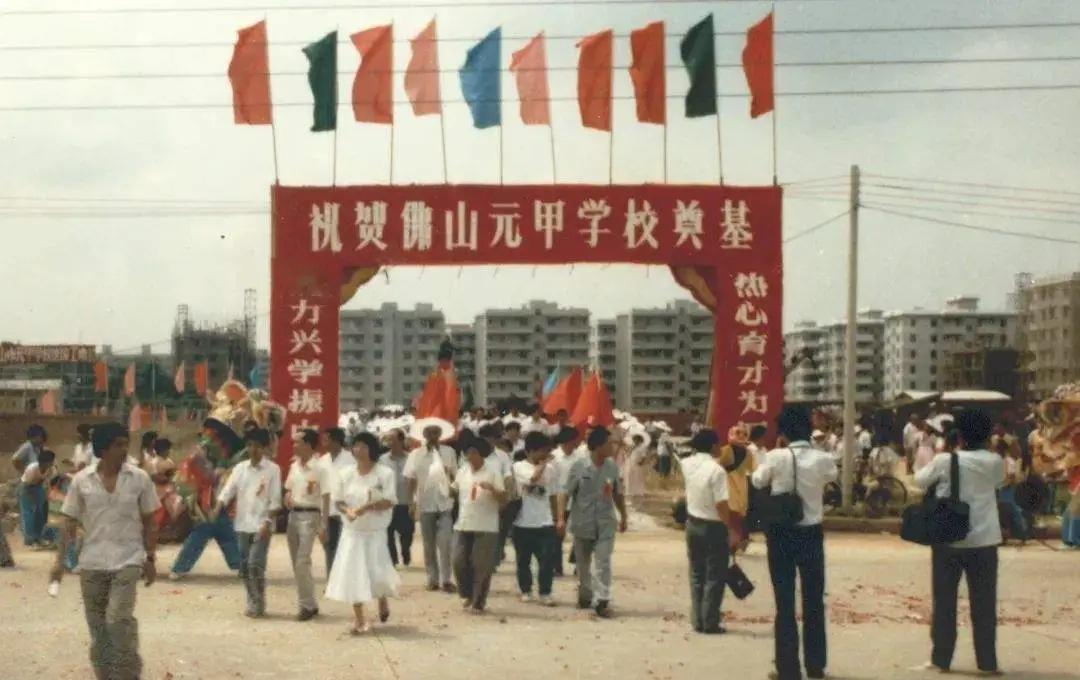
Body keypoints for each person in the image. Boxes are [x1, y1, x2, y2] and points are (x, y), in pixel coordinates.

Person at [52, 421, 160, 680]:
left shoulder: (139, 478)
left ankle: (129, 673)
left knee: (118, 620)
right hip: (92, 563)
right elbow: (68, 521)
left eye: (126, 444)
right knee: (98, 628)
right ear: (103, 448)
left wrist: (150, 557)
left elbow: (150, 521)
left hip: (128, 560)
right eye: (117, 445)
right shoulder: (81, 481)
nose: (124, 450)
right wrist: (58, 562)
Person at [914, 409, 1005, 675]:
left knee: (944, 602)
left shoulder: (945, 460)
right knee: (984, 604)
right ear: (987, 435)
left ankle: (941, 659)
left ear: (959, 434)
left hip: (948, 540)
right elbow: (998, 483)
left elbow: (920, 481)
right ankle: (987, 662)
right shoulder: (995, 461)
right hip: (985, 541)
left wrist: (946, 450)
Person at [752, 406, 839, 680]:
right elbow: (832, 477)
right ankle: (816, 665)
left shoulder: (776, 456)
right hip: (811, 535)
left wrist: (778, 452)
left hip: (781, 535)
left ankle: (787, 668)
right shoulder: (822, 459)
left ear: (784, 432)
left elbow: (757, 481)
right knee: (814, 600)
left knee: (785, 603)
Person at [326, 432, 399, 634]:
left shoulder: (384, 473)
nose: (359, 450)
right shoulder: (345, 473)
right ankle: (360, 619)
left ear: (372, 449)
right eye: (356, 446)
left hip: (374, 531)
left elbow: (390, 500)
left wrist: (368, 507)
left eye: (364, 446)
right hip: (352, 533)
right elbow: (338, 500)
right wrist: (347, 511)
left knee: (376, 571)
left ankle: (382, 599)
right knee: (353, 573)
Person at [557, 427, 628, 618]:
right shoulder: (579, 466)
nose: (612, 447)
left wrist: (624, 516)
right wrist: (561, 518)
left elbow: (617, 493)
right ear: (597, 446)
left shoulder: (612, 467)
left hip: (605, 521)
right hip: (583, 522)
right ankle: (585, 594)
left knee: (603, 561)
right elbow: (565, 493)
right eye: (609, 443)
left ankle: (602, 599)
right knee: (583, 564)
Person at [214, 428, 281, 618]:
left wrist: (267, 522)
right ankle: (252, 598)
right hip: (242, 524)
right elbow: (228, 491)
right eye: (250, 445)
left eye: (258, 446)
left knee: (255, 564)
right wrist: (217, 508)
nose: (254, 450)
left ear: (265, 448)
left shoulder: (273, 470)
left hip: (262, 524)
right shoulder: (240, 468)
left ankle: (258, 603)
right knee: (244, 567)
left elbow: (276, 500)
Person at [680, 429, 731, 634]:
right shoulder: (716, 470)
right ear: (712, 446)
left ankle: (697, 619)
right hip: (713, 524)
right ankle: (709, 620)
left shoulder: (686, 464)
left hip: (693, 522)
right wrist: (730, 527)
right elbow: (721, 503)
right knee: (714, 575)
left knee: (696, 573)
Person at [451, 435, 506, 613]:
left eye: (474, 452)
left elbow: (504, 499)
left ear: (481, 454)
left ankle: (478, 601)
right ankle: (466, 593)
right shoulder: (463, 471)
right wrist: (443, 480)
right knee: (458, 561)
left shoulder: (492, 471)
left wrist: (492, 489)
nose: (470, 456)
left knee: (481, 565)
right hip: (464, 522)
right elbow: (454, 489)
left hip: (486, 525)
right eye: (467, 453)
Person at [404, 424, 458, 592]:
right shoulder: (415, 454)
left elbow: (457, 477)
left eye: (436, 432)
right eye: (429, 432)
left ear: (441, 434)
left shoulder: (449, 452)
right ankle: (432, 579)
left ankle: (446, 579)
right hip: (425, 503)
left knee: (445, 542)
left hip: (445, 504)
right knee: (428, 544)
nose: (433, 436)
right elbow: (410, 479)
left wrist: (450, 476)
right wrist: (411, 503)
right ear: (424, 434)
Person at [284, 429, 326, 621]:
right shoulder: (294, 466)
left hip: (310, 516)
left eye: (298, 442)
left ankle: (306, 606)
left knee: (302, 561)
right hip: (293, 515)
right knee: (297, 563)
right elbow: (289, 488)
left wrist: (323, 524)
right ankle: (310, 602)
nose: (294, 446)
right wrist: (287, 497)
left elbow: (327, 496)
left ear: (309, 445)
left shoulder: (320, 468)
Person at [513, 432, 559, 606]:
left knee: (547, 561)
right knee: (523, 560)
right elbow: (532, 479)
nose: (545, 454)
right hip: (523, 521)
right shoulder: (519, 467)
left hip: (545, 521)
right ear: (530, 451)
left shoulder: (552, 469)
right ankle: (526, 590)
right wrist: (544, 463)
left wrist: (557, 518)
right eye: (542, 451)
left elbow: (554, 494)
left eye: (547, 451)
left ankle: (545, 592)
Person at [319, 427, 355, 573]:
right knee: (329, 546)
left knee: (346, 547)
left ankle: (345, 581)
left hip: (346, 509)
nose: (323, 442)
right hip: (328, 510)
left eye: (326, 439)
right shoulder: (322, 461)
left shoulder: (351, 459)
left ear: (335, 441)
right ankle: (331, 581)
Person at [719, 426, 755, 552]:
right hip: (729, 488)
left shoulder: (748, 453)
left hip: (739, 489)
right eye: (738, 432)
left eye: (744, 433)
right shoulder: (725, 450)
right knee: (732, 517)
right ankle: (731, 544)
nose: (741, 435)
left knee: (736, 518)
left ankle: (733, 544)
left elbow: (752, 470)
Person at [382, 428, 414, 567]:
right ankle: (393, 560)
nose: (389, 442)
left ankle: (405, 552)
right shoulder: (382, 460)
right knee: (387, 533)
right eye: (387, 439)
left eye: (392, 439)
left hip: (406, 501)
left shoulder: (411, 458)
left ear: (401, 441)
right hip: (388, 503)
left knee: (407, 533)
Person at [13, 424, 47, 546]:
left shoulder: (39, 448)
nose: (42, 439)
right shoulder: (27, 447)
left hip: (38, 483)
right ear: (34, 436)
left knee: (39, 511)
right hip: (27, 483)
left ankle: (38, 537)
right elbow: (15, 459)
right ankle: (29, 538)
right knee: (28, 511)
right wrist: (24, 472)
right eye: (40, 436)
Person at [19, 448, 59, 547]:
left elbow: (47, 483)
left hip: (38, 487)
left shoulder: (52, 470)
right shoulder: (32, 468)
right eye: (51, 461)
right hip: (26, 488)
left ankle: (39, 538)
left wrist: (48, 496)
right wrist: (33, 500)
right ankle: (30, 540)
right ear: (45, 462)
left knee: (40, 513)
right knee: (30, 514)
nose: (52, 463)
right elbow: (26, 484)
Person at [623, 434, 650, 508]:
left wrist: (641, 463)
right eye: (634, 439)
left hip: (638, 467)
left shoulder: (642, 447)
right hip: (630, 466)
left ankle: (639, 500)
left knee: (638, 482)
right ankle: (629, 500)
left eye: (636, 439)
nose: (634, 441)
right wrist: (629, 450)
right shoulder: (632, 447)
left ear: (639, 440)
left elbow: (644, 456)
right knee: (630, 481)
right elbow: (627, 455)